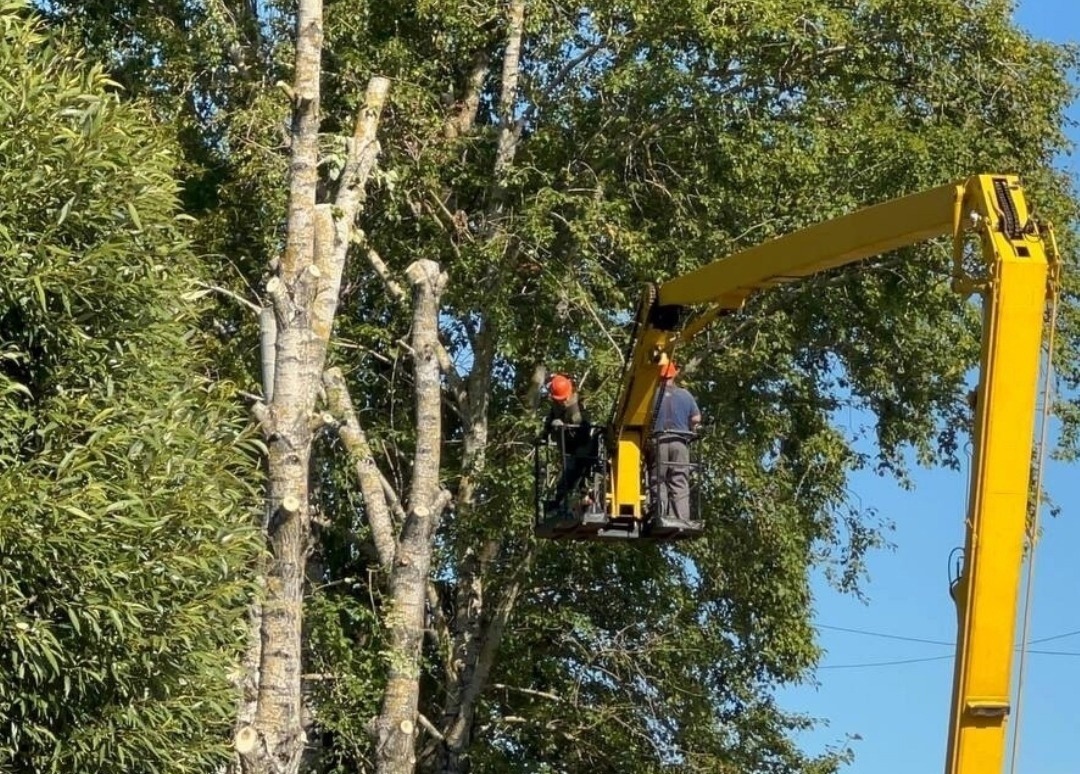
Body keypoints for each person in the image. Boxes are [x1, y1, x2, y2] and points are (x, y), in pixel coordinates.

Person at [650, 361, 701, 524]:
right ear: (674, 374)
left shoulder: (652, 395)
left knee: (659, 480)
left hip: (660, 441)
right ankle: (681, 518)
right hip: (680, 441)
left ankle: (662, 515)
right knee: (679, 479)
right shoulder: (685, 394)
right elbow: (696, 418)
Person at [540, 374, 596, 513]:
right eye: (559, 400)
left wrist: (565, 427)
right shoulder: (556, 404)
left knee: (577, 473)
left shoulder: (576, 409)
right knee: (569, 475)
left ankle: (581, 499)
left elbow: (584, 430)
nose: (562, 402)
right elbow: (551, 418)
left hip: (580, 448)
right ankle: (559, 502)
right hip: (568, 448)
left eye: (563, 399)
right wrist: (544, 435)